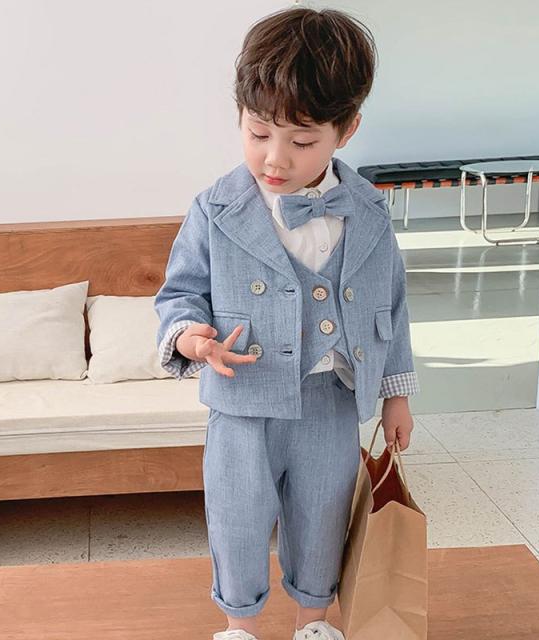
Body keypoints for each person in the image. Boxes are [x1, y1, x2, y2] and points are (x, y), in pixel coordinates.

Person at [154, 7, 419, 640]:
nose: (275, 158)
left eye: (302, 143)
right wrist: (192, 336)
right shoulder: (214, 209)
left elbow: (391, 307)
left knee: (323, 515)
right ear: (240, 116)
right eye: (257, 133)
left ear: (346, 130)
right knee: (237, 518)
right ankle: (238, 624)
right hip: (242, 400)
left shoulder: (369, 211)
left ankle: (312, 622)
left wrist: (397, 395)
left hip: (332, 397)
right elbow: (180, 293)